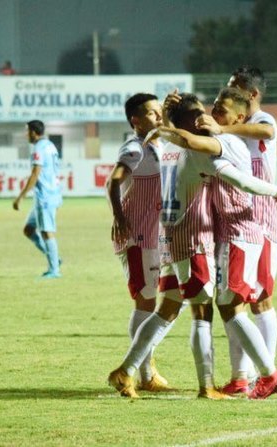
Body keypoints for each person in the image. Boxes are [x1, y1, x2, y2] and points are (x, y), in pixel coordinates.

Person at [107, 92, 277, 400]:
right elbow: (235, 177)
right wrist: (275, 190)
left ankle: (126, 370)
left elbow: (176, 131)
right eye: (203, 113)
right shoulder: (194, 148)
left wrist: (165, 119)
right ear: (191, 121)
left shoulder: (164, 146)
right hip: (193, 239)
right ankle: (207, 385)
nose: (209, 118)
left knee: (167, 309)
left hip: (169, 236)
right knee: (202, 312)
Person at [196, 66, 277, 394]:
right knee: (236, 302)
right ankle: (241, 376)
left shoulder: (263, 121)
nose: (228, 91)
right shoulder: (227, 132)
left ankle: (265, 374)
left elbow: (266, 134)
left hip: (258, 216)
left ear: (252, 95)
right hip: (230, 217)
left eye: (235, 87)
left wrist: (222, 127)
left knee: (259, 298)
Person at [105, 93, 172, 392]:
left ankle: (145, 372)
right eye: (151, 113)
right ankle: (144, 374)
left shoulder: (158, 143)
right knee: (145, 302)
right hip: (138, 238)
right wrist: (119, 218)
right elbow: (114, 180)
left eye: (159, 111)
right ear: (135, 120)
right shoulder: (135, 147)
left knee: (153, 302)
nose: (158, 117)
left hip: (155, 237)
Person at [13, 120, 62, 278]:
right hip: (52, 194)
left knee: (47, 232)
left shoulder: (39, 149)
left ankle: (54, 270)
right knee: (28, 230)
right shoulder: (50, 145)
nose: (26, 134)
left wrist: (20, 197)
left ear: (34, 132)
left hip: (45, 197)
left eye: (27, 131)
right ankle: (55, 259)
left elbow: (35, 174)